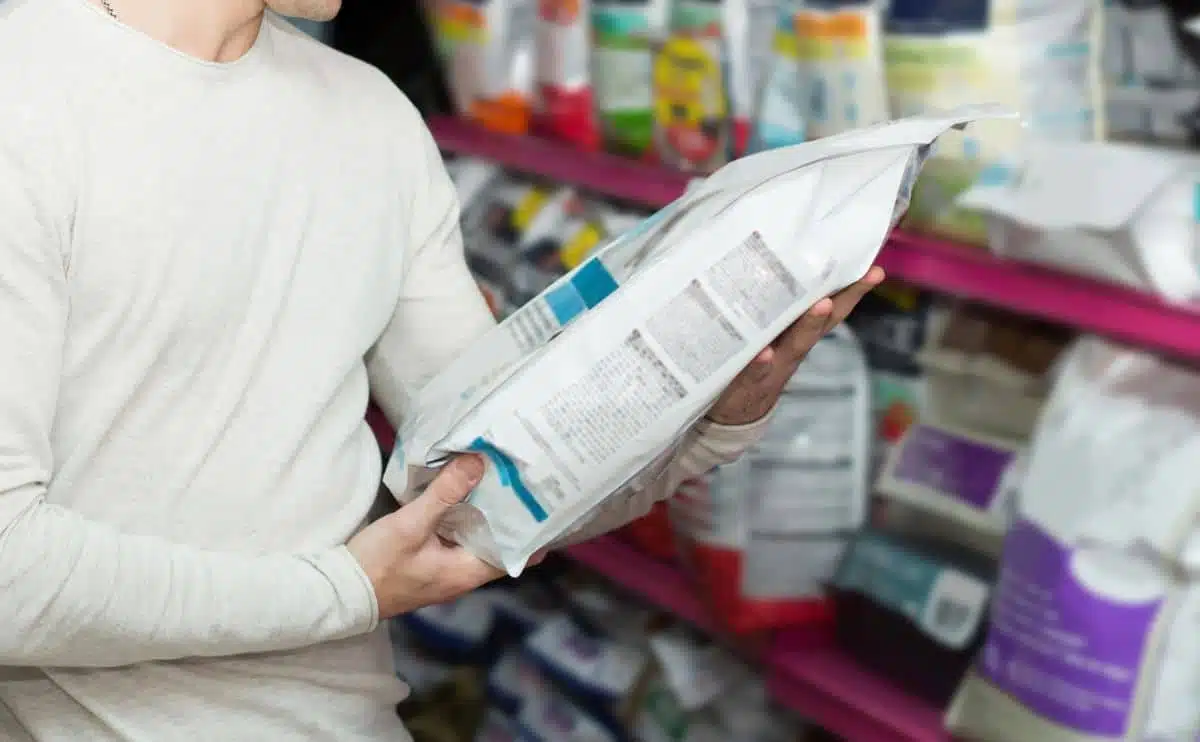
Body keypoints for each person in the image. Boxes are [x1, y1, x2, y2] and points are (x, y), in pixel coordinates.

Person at [0, 0, 883, 739]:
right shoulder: (26, 89)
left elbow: (496, 485)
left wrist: (712, 417)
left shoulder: (369, 115)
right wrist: (343, 591)